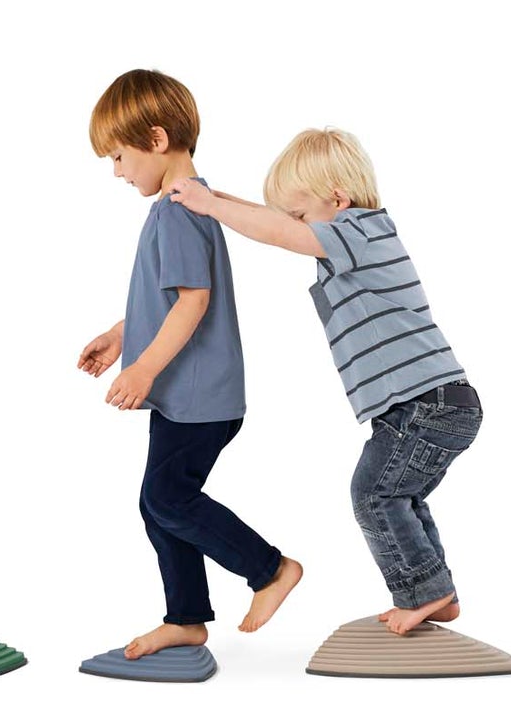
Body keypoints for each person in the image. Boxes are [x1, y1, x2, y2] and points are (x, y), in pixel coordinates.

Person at [169, 128, 480, 635]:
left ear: (338, 199)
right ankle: (436, 593)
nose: (294, 226)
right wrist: (213, 196)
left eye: (300, 215)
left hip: (429, 403)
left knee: (374, 495)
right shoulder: (350, 237)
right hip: (426, 405)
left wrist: (211, 206)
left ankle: (427, 593)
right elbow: (274, 221)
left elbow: (277, 233)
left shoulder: (362, 231)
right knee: (399, 496)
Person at [78, 69, 303, 660]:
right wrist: (120, 336)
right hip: (185, 396)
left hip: (197, 396)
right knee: (159, 501)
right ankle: (185, 618)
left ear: (156, 139)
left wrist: (144, 369)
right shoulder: (182, 204)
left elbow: (193, 302)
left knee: (168, 499)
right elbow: (166, 298)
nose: (117, 171)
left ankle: (270, 569)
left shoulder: (179, 209)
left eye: (119, 156)